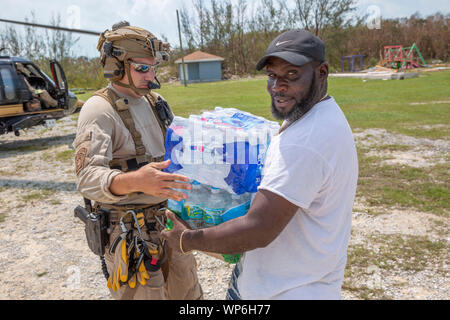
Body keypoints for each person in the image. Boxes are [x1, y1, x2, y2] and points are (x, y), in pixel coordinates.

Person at [161, 29, 358, 300]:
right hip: (298, 278)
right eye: (272, 75)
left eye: (291, 75)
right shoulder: (319, 115)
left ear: (321, 72)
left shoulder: (305, 141)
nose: (277, 86)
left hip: (286, 290)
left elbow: (258, 228)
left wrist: (186, 240)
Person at [73, 21, 203, 300]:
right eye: (142, 68)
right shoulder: (99, 110)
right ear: (116, 67)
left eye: (153, 67)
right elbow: (86, 178)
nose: (151, 75)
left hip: (170, 225)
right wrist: (137, 181)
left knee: (188, 295)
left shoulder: (156, 101)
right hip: (131, 235)